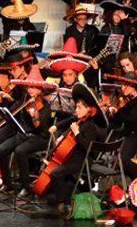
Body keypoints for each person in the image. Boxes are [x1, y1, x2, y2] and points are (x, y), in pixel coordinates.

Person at [0, 66, 56, 198]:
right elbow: (12, 112)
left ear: (40, 89)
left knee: (20, 151)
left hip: (39, 138)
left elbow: (42, 129)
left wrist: (35, 118)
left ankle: (26, 187)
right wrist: (6, 103)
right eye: (29, 87)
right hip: (23, 135)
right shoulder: (25, 100)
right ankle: (7, 185)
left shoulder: (45, 107)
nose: (31, 90)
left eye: (34, 88)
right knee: (1, 150)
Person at [43, 83, 107, 214]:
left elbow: (87, 147)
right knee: (57, 172)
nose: (76, 110)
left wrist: (77, 133)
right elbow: (71, 135)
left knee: (55, 173)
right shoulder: (81, 121)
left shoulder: (90, 125)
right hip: (73, 156)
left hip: (82, 159)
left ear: (89, 109)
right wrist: (62, 137)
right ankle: (64, 197)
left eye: (79, 107)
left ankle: (65, 203)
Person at [105, 73, 137, 179]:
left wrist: (118, 112)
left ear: (133, 87)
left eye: (126, 85)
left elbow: (130, 119)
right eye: (122, 85)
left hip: (135, 135)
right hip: (125, 133)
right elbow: (117, 119)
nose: (122, 88)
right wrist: (112, 112)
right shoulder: (126, 100)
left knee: (123, 160)